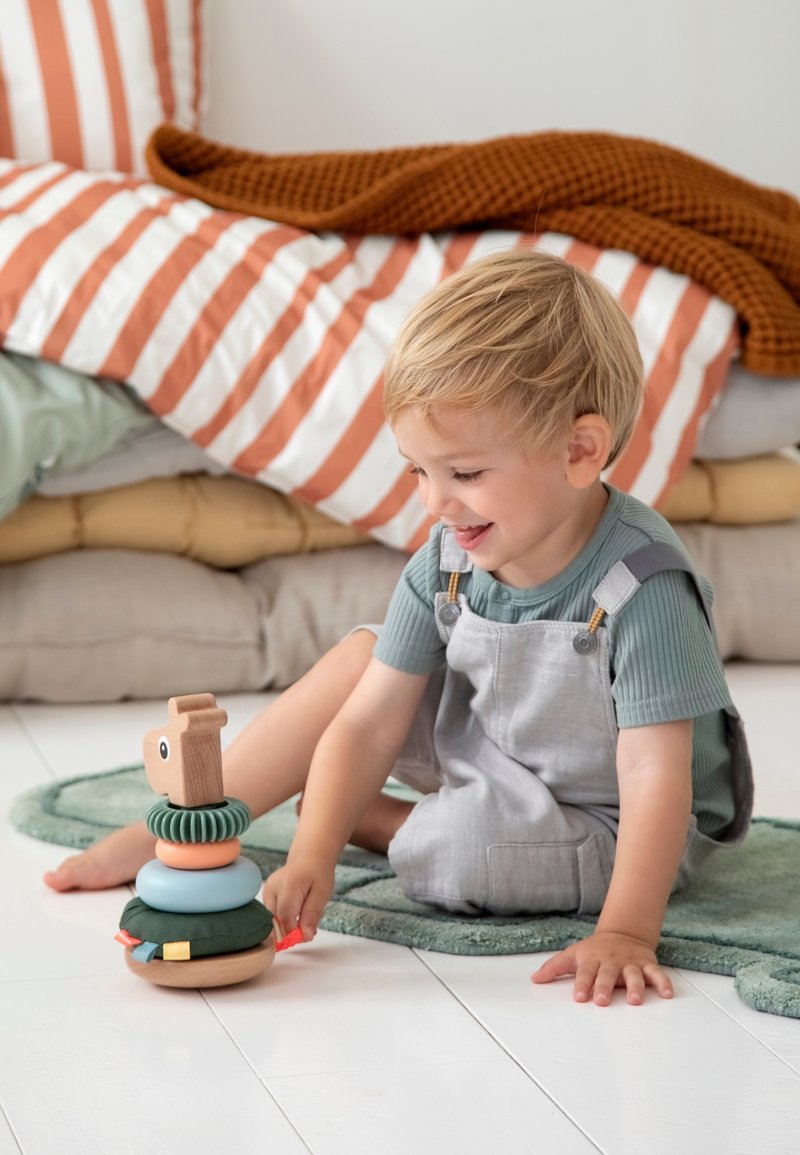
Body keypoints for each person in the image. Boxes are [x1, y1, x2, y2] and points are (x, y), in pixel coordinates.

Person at [45, 248, 752, 1007]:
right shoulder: (448, 556)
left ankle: (368, 817)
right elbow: (369, 723)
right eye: (419, 472)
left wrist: (627, 931)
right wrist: (311, 853)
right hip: (498, 742)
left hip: (609, 817)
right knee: (361, 662)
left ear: (580, 451)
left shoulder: (642, 587)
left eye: (465, 474)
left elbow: (654, 777)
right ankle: (195, 828)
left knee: (462, 851)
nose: (435, 503)